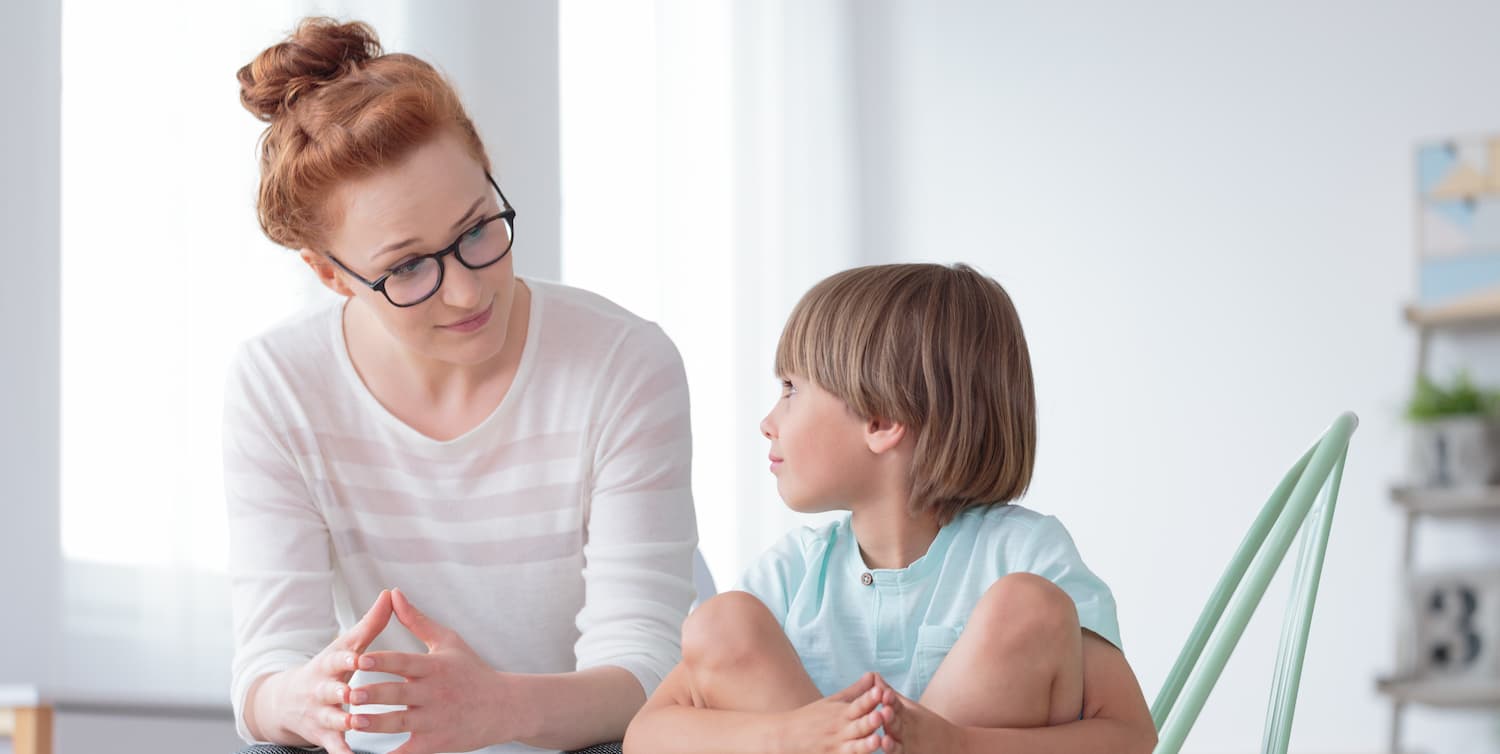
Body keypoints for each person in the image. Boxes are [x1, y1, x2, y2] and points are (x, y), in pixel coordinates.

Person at [227, 17, 697, 754]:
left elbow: (646, 666)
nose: (468, 292)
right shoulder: (278, 384)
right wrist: (304, 697)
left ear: (489, 175)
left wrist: (499, 711)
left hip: (593, 731)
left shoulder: (623, 361)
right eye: (409, 267)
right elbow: (264, 674)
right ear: (330, 276)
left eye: (479, 229)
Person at [623, 263, 1157, 754]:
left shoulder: (1024, 555)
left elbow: (1130, 735)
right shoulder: (790, 574)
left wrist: (958, 745)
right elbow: (646, 736)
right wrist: (793, 734)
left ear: (880, 422)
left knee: (1030, 605)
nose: (768, 420)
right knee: (720, 622)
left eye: (791, 389)